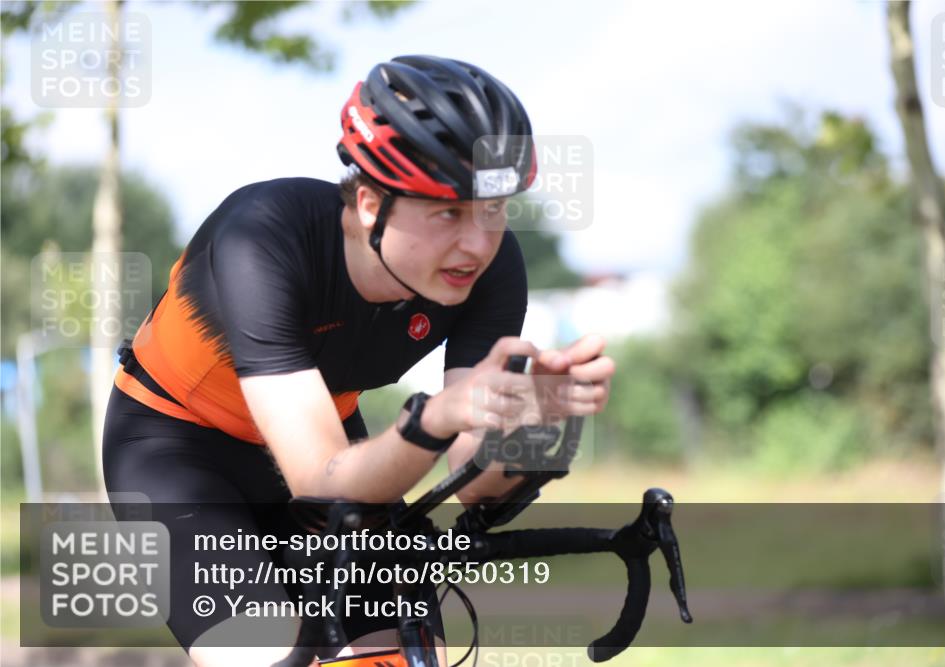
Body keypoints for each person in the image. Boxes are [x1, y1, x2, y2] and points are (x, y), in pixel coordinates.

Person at [103, 54, 615, 667]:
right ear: (371, 204)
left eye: (494, 209)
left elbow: (475, 483)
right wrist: (434, 418)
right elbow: (321, 483)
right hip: (173, 447)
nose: (478, 243)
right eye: (449, 212)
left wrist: (528, 438)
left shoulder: (493, 268)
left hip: (325, 436)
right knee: (268, 652)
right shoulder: (261, 239)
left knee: (400, 644)